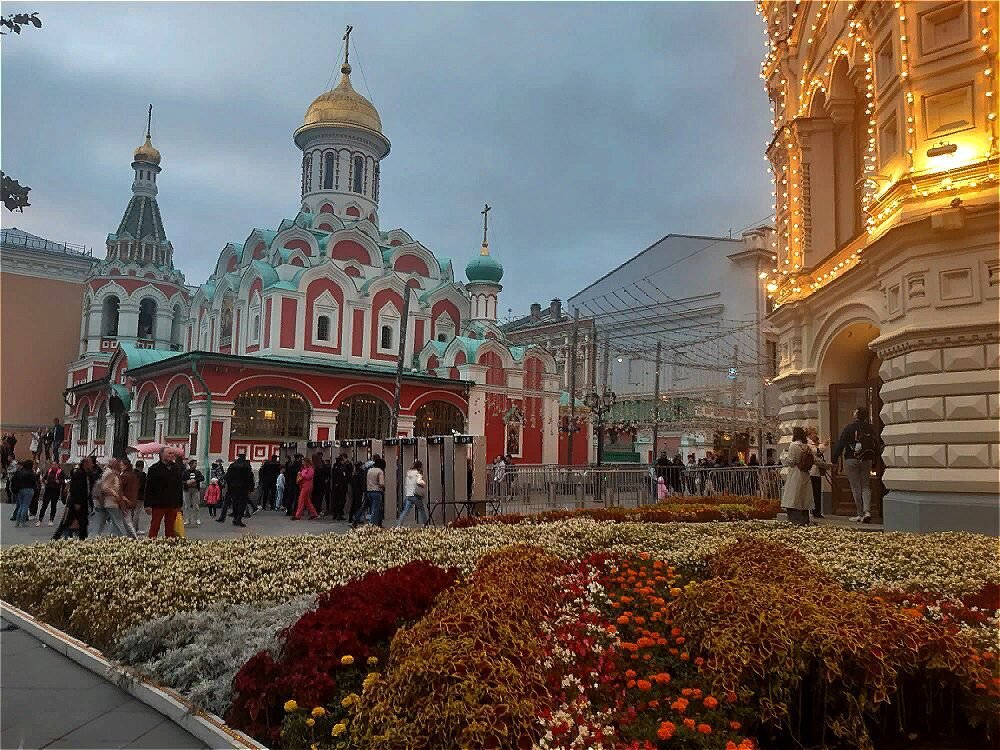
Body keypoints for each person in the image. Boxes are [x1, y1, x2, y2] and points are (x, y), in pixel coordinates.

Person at [832, 407, 879, 523]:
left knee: (856, 487)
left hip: (851, 459)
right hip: (867, 459)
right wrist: (875, 461)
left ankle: (860, 513)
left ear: (857, 414)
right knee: (866, 485)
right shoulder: (870, 428)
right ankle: (867, 511)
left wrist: (834, 459)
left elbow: (841, 443)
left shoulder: (849, 428)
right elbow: (876, 445)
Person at [145, 447, 184, 538]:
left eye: (173, 454)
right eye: (169, 453)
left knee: (170, 527)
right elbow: (149, 488)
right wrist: (147, 504)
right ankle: (151, 543)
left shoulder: (176, 468)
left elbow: (179, 487)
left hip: (173, 503)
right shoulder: (154, 469)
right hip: (158, 503)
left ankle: (170, 544)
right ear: (162, 455)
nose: (172, 455)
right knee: (155, 526)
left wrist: (180, 504)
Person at [780, 427, 814, 526]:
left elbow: (791, 461)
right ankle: (804, 519)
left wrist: (783, 457)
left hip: (795, 473)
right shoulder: (806, 446)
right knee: (803, 496)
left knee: (793, 496)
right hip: (805, 473)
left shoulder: (793, 445)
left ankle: (795, 520)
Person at [53, 458, 92, 540]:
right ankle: (57, 537)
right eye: (89, 463)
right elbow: (76, 488)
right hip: (78, 502)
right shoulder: (79, 473)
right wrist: (77, 502)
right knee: (71, 521)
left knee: (80, 522)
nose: (91, 465)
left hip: (81, 501)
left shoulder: (83, 472)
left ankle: (82, 537)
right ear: (85, 464)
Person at [224, 452, 255, 527]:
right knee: (242, 504)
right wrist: (251, 487)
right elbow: (250, 477)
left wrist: (229, 486)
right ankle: (239, 518)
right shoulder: (246, 466)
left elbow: (227, 477)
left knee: (235, 503)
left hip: (233, 487)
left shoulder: (232, 465)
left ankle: (235, 518)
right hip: (243, 488)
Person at [806, 427, 829, 520]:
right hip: (812, 471)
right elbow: (815, 452)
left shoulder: (815, 443)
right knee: (814, 491)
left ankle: (817, 511)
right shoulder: (808, 444)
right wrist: (823, 445)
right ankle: (814, 510)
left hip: (816, 471)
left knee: (817, 491)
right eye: (814, 433)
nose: (815, 435)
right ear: (809, 434)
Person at [396, 460, 427, 527]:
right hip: (416, 494)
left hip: (410, 494)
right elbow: (419, 482)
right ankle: (426, 524)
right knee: (422, 510)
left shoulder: (409, 472)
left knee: (406, 511)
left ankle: (399, 525)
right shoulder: (418, 473)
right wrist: (423, 484)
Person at [38, 461, 67, 527]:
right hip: (48, 489)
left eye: (55, 464)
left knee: (53, 505)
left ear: (57, 465)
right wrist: (44, 481)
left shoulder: (61, 472)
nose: (53, 466)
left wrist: (59, 481)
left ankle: (51, 519)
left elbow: (65, 480)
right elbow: (44, 478)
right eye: (52, 464)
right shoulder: (49, 471)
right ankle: (40, 519)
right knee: (44, 505)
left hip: (56, 490)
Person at [117, 459, 141, 538]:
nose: (120, 467)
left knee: (127, 521)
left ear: (126, 466)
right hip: (131, 500)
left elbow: (119, 488)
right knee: (124, 520)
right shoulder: (133, 475)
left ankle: (134, 537)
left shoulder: (124, 476)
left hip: (125, 501)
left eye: (121, 465)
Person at [10, 460, 38, 527]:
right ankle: (22, 522)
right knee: (25, 506)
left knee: (21, 505)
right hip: (29, 490)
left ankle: (17, 522)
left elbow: (14, 480)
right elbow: (34, 482)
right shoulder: (31, 473)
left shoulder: (19, 472)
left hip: (20, 490)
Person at [293, 456, 319, 520]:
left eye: (303, 461)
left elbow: (308, 477)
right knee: (307, 501)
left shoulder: (310, 469)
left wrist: (302, 475)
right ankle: (314, 514)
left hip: (307, 486)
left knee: (301, 500)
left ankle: (298, 515)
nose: (302, 463)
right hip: (303, 486)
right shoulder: (304, 469)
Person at [365, 455, 387, 527]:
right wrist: (383, 487)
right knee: (376, 508)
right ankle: (372, 524)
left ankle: (377, 523)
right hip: (377, 491)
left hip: (369, 490)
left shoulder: (369, 470)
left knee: (368, 507)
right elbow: (381, 483)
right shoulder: (380, 471)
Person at [183, 459, 205, 526]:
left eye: (196, 463)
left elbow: (202, 478)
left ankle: (197, 519)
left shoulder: (197, 472)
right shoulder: (185, 472)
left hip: (195, 490)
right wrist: (187, 482)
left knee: (196, 505)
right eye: (194, 463)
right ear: (190, 464)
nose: (195, 465)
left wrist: (195, 480)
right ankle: (187, 519)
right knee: (187, 505)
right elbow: (182, 479)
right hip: (187, 490)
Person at [330, 454, 349, 520]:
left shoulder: (334, 467)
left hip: (335, 487)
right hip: (341, 487)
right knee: (341, 500)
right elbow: (344, 477)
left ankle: (335, 514)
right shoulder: (342, 467)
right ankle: (339, 514)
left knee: (335, 500)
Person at [131, 459, 147, 534]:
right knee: (137, 513)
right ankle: (135, 528)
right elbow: (144, 485)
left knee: (131, 512)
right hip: (139, 496)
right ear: (142, 467)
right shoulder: (142, 475)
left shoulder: (132, 473)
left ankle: (130, 527)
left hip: (131, 495)